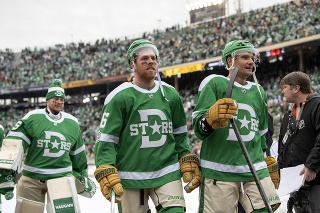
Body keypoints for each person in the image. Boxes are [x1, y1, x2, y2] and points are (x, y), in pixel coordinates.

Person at [94, 39, 201, 213]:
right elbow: (107, 139)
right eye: (144, 59)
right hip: (130, 176)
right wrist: (106, 165)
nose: (151, 61)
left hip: (167, 172)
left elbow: (180, 133)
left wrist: (184, 154)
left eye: (153, 58)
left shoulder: (171, 94)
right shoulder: (119, 97)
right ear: (132, 64)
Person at [192, 39, 281, 212]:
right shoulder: (214, 83)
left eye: (252, 58)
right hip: (220, 169)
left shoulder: (259, 91)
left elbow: (262, 133)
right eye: (245, 57)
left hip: (254, 167)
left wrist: (266, 158)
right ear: (230, 61)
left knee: (265, 210)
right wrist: (209, 120)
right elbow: (198, 129)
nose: (250, 61)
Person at [0, 79, 91, 211]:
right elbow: (13, 144)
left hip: (62, 177)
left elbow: (78, 155)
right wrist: (6, 178)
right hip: (32, 177)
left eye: (62, 99)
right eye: (55, 99)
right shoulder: (32, 118)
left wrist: (82, 175)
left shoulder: (73, 123)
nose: (59, 102)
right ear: (47, 100)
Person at [278, 71, 320, 213]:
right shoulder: (288, 116)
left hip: (316, 181)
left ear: (296, 88)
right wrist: (280, 171)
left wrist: (312, 165)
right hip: (295, 183)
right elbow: (282, 146)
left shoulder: (317, 105)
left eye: (284, 87)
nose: (282, 91)